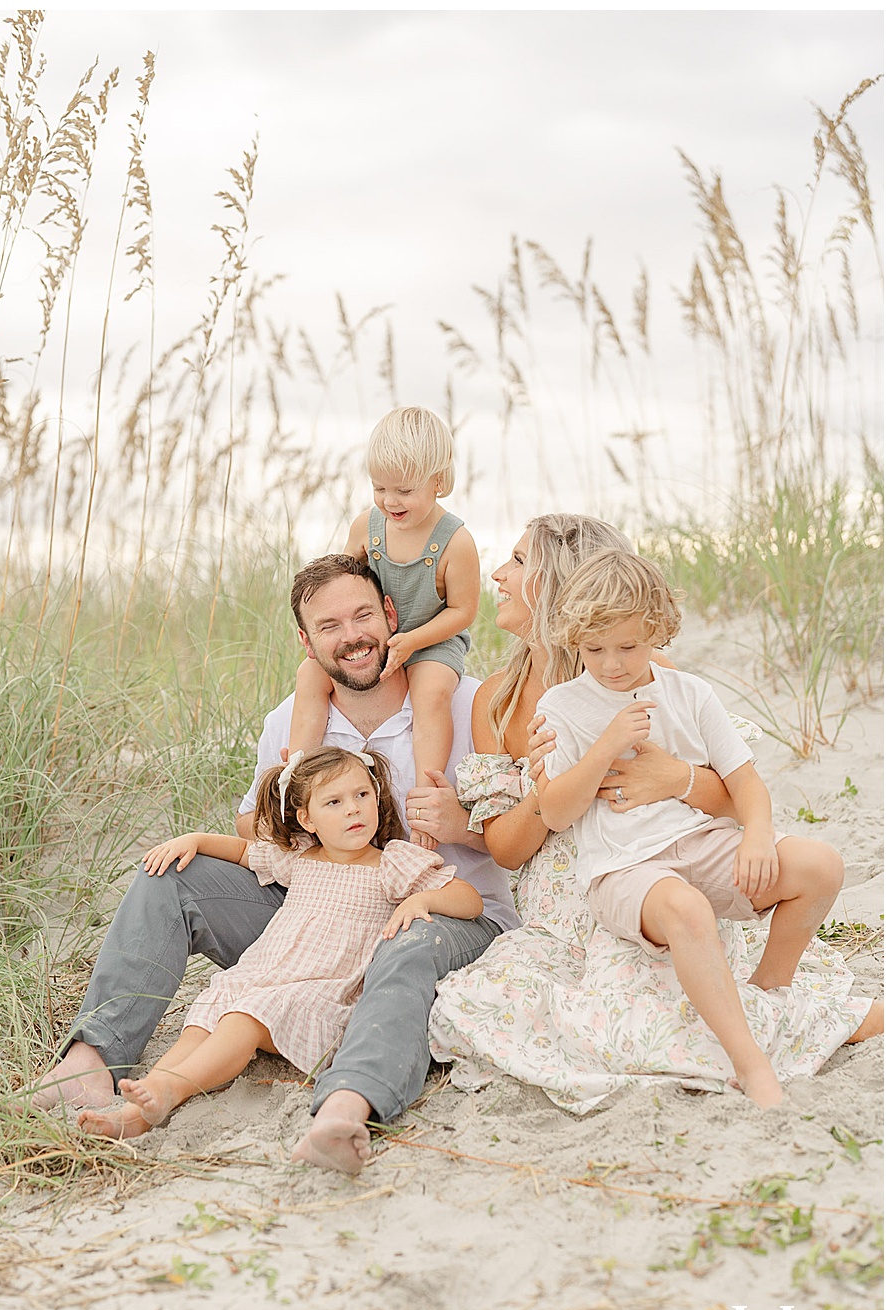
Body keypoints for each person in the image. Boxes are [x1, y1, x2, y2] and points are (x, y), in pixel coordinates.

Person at [30, 553, 517, 1175]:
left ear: (390, 615)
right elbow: (254, 833)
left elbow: (523, 840)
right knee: (173, 874)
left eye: (364, 615)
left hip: (441, 916)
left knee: (405, 941)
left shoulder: (462, 702)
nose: (353, 637)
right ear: (306, 640)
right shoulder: (291, 720)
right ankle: (93, 1062)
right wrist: (282, 807)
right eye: (330, 625)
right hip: (318, 923)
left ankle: (348, 1106)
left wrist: (461, 827)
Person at [429, 515, 881, 1109]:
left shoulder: (666, 680)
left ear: (559, 582)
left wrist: (678, 777)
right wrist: (554, 781)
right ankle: (752, 1045)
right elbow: (510, 848)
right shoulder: (503, 699)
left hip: (678, 849)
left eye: (517, 561)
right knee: (636, 1007)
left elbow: (732, 788)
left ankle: (767, 1010)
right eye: (597, 648)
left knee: (721, 930)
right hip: (590, 884)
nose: (500, 574)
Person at [535, 549, 847, 1109]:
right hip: (623, 867)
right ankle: (751, 1066)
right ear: (574, 640)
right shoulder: (562, 705)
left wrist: (756, 833)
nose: (610, 665)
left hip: (699, 844)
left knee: (820, 865)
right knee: (687, 909)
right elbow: (556, 813)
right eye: (594, 649)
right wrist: (605, 745)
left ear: (656, 630)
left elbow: (745, 782)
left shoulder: (691, 694)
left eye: (628, 646)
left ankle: (767, 992)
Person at [76, 747, 483, 1141]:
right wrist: (197, 839)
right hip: (264, 975)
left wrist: (422, 899)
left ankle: (172, 1091)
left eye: (362, 795)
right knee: (201, 1023)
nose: (353, 809)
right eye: (335, 802)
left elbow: (469, 898)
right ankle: (134, 1115)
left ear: (376, 798)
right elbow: (242, 851)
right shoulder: (301, 858)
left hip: (319, 992)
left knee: (242, 1019)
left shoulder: (392, 863)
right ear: (307, 819)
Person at [287, 407, 481, 850]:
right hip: (374, 638)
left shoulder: (455, 541)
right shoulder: (367, 526)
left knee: (430, 693)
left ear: (440, 481)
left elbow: (463, 611)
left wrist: (411, 640)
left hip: (431, 638)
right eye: (379, 488)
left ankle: (427, 798)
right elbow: (342, 583)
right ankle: (298, 770)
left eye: (405, 490)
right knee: (309, 674)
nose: (390, 501)